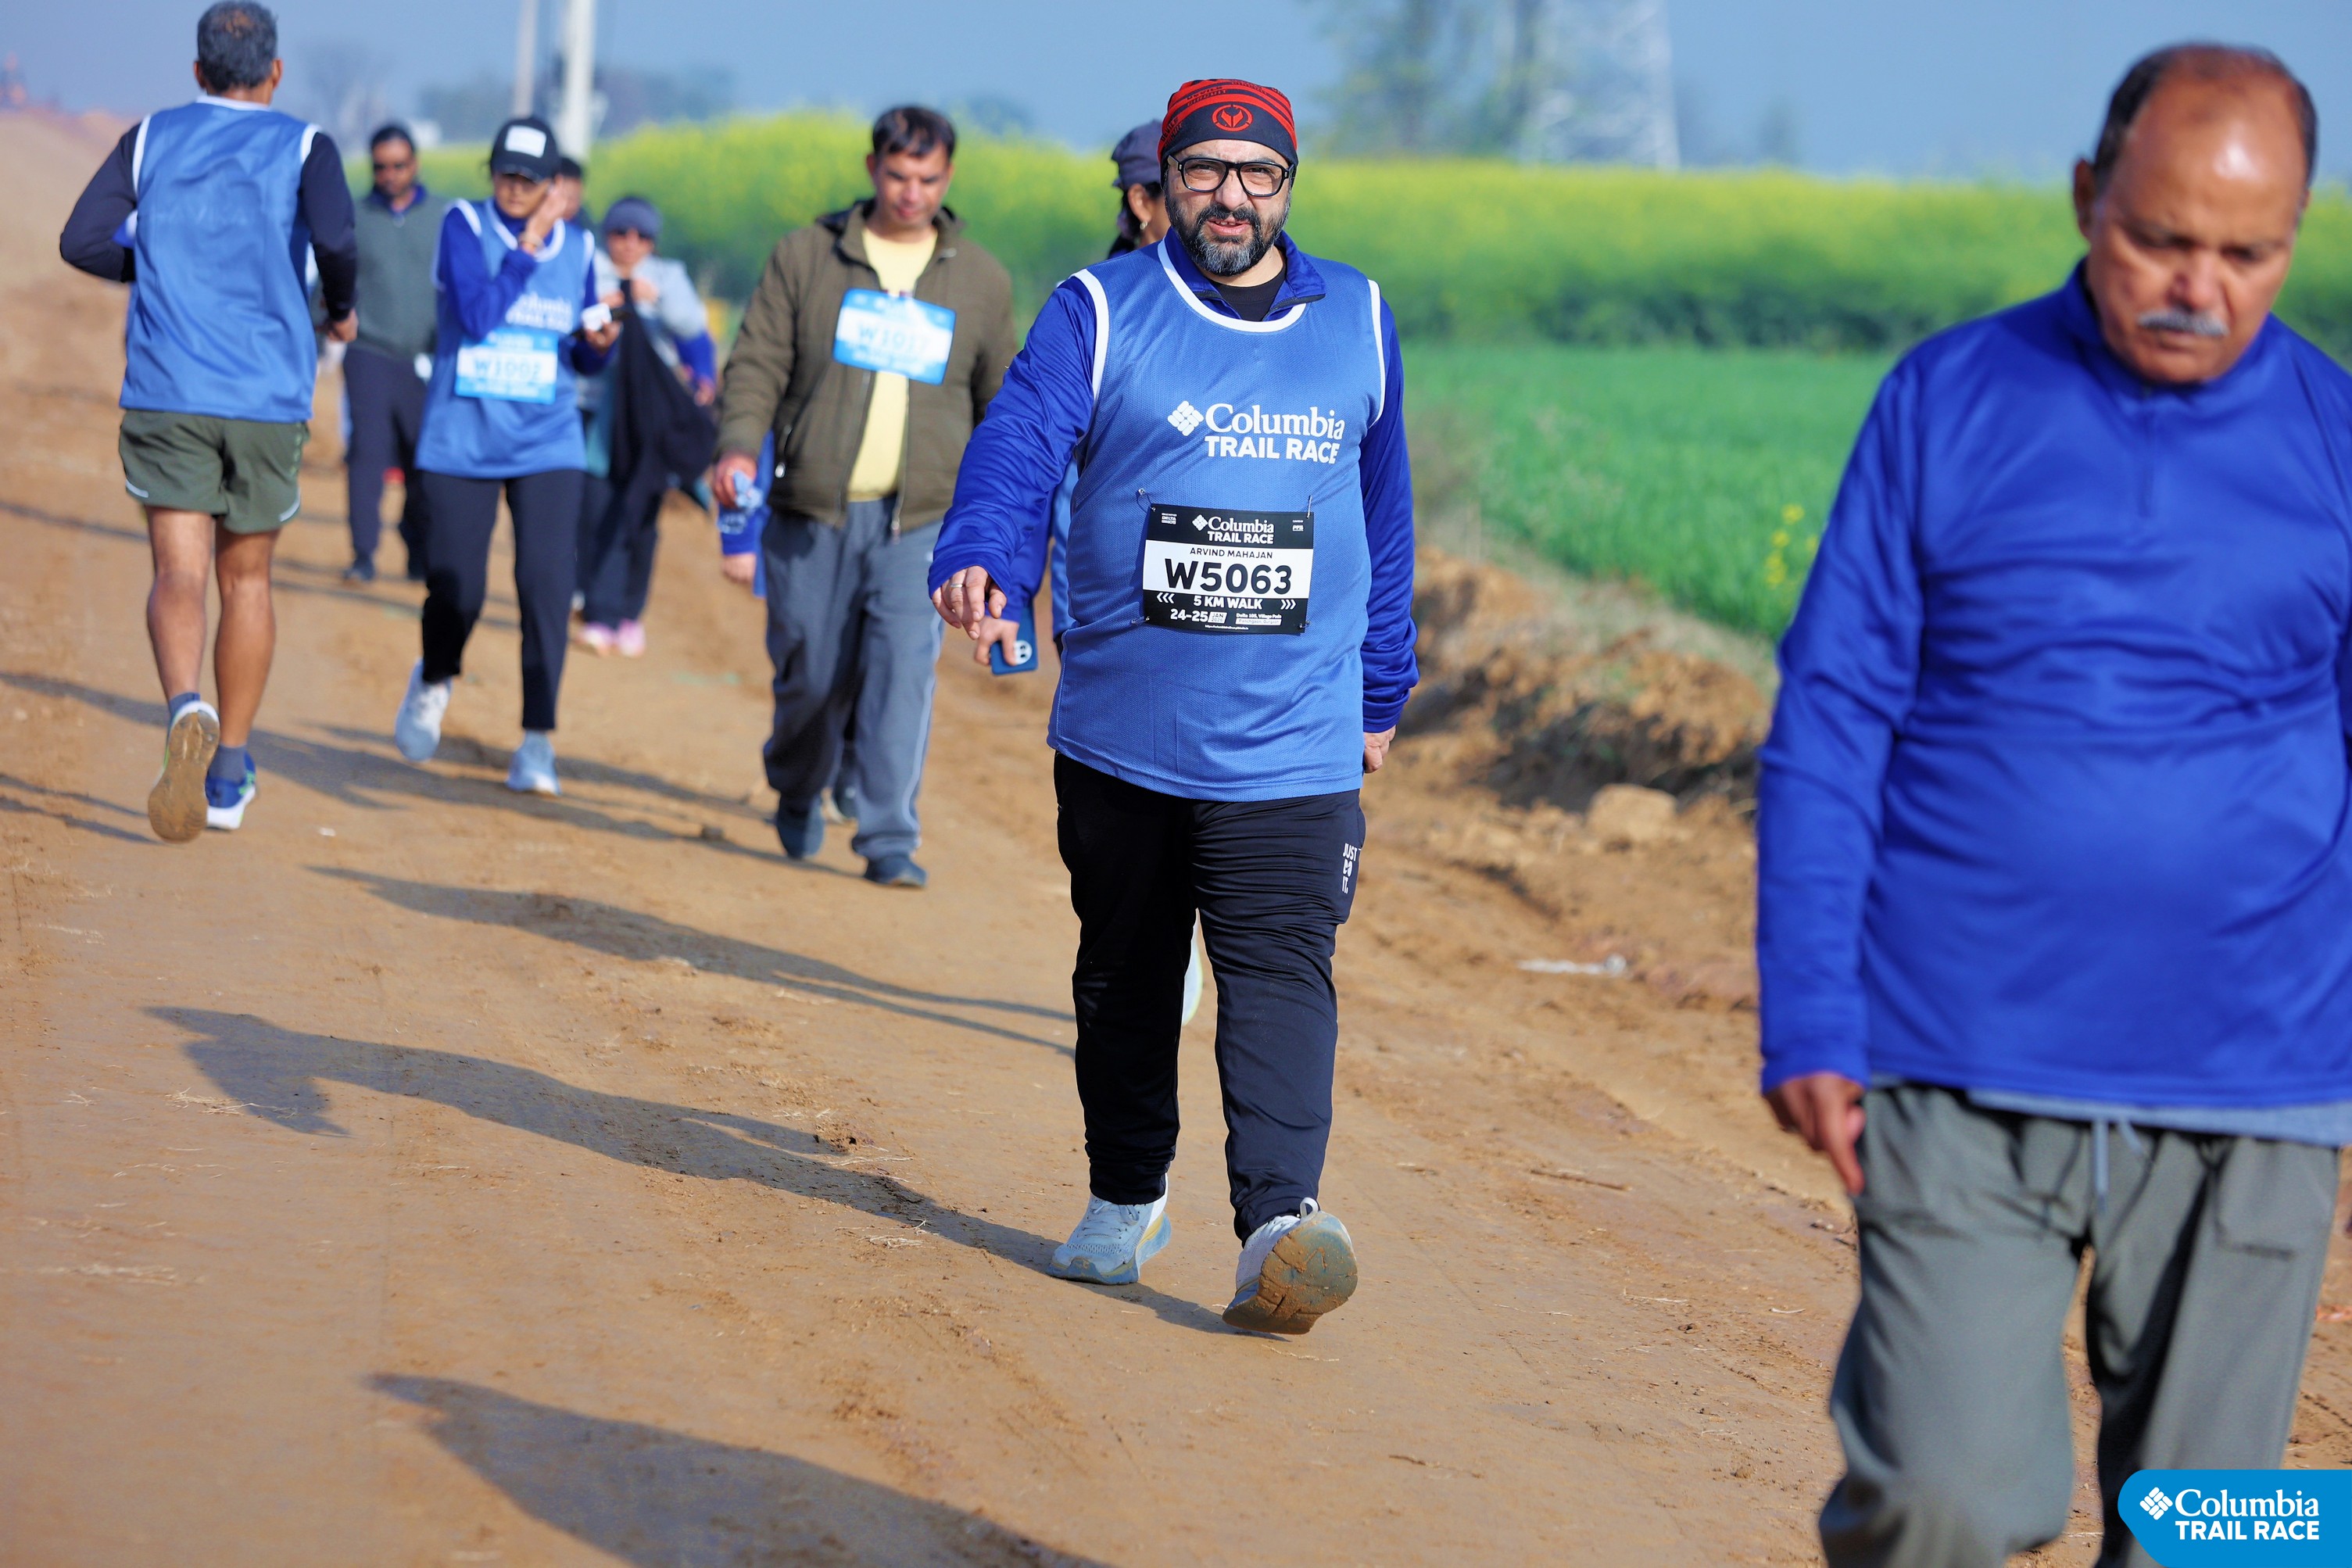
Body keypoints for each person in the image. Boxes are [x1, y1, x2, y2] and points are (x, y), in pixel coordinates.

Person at [1757, 45, 2348, 1567]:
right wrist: (1808, 1009)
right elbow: (1831, 716)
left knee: (2219, 1537)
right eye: (2159, 238)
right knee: (1938, 1502)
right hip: (1957, 1056)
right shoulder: (1947, 400)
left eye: (2246, 255)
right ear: (2086, 197)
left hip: (2257, 1074)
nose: (2197, 288)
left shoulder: (2334, 441)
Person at [930, 79, 1416, 1334]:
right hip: (1125, 734)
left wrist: (1382, 688)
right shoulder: (1100, 308)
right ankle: (1126, 1194)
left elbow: (1387, 520)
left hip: (1295, 738)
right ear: (1168, 185)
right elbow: (1022, 441)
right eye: (1204, 172)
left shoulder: (1358, 319)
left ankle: (1278, 1227)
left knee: (1281, 971)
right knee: (1126, 974)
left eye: (1258, 176)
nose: (1230, 198)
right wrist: (986, 550)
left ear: (1288, 187)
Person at [58, 0, 356, 841]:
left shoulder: (150, 137)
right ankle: (229, 770)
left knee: (178, 572)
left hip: (169, 388)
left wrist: (153, 269)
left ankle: (186, 704)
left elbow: (80, 240)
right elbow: (337, 241)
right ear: (276, 72)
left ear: (197, 71)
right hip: (265, 395)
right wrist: (340, 309)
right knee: (247, 579)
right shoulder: (306, 146)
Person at [712, 106, 1016, 889]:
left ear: (947, 179)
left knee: (901, 671)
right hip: (813, 508)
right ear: (872, 168)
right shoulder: (807, 257)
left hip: (922, 520)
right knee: (811, 672)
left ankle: (888, 835)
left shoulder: (979, 281)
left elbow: (1002, 407)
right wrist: (739, 445)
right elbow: (757, 363)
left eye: (928, 178)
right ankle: (797, 780)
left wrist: (1004, 518)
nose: (911, 192)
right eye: (898, 175)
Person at [391, 116, 618, 796]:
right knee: (458, 586)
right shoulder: (465, 226)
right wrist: (528, 244)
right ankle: (435, 674)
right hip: (463, 438)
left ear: (553, 183)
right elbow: (478, 315)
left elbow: (579, 350)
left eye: (530, 178)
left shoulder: (580, 247)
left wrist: (597, 346)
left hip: (547, 441)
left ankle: (537, 740)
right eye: (506, 174)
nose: (515, 187)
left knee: (546, 586)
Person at [575, 195, 718, 657]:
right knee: (596, 513)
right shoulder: (587, 267)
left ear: (652, 242)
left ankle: (629, 614)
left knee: (641, 517)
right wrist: (603, 307)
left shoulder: (668, 277)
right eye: (621, 233)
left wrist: (654, 300)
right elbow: (571, 326)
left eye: (642, 236)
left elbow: (693, 328)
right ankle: (598, 612)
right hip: (598, 412)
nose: (630, 243)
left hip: (650, 420)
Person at [342, 121, 448, 584]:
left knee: (424, 459)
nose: (390, 175)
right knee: (367, 455)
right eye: (381, 167)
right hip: (370, 351)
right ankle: (363, 553)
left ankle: (419, 549)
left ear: (415, 164)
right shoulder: (355, 217)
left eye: (399, 166)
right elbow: (332, 276)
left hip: (428, 357)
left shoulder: (445, 217)